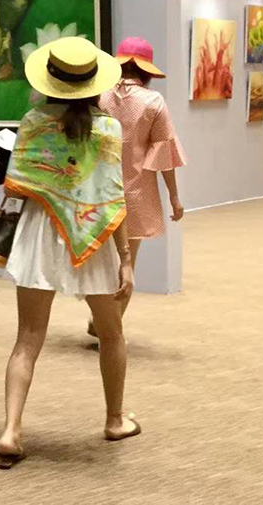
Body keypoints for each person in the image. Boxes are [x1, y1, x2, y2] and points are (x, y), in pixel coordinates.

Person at [0, 37, 138, 469]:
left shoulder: (32, 122)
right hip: (93, 232)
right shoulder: (108, 129)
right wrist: (126, 258)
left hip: (39, 233)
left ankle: (10, 430)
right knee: (111, 334)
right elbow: (113, 197)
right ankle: (115, 420)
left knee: (27, 338)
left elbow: (18, 187)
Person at [93, 37, 187, 333]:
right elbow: (164, 153)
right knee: (127, 264)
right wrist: (174, 197)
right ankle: (108, 328)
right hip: (136, 193)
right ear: (147, 70)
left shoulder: (98, 96)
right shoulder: (153, 102)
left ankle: (99, 318)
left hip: (96, 192)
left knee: (98, 262)